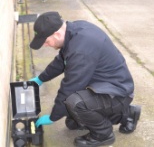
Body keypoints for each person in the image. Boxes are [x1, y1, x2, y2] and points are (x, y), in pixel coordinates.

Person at [29, 11, 141, 147]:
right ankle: (127, 114)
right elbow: (61, 61)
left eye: (46, 41)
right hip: (104, 87)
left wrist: (53, 116)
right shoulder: (74, 31)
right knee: (73, 122)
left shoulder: (81, 48)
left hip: (117, 93)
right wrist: (41, 79)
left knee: (74, 103)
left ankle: (103, 135)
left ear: (57, 34)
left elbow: (70, 87)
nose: (46, 45)